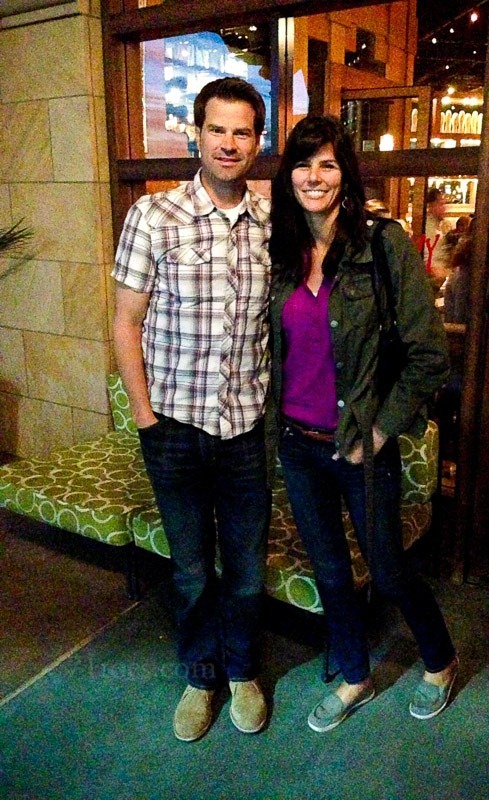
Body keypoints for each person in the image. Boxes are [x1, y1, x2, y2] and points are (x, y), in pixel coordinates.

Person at [269, 115, 458, 732]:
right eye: (303, 164)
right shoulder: (281, 251)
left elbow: (430, 355)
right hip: (298, 444)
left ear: (345, 174)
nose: (314, 176)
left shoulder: (381, 244)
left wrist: (377, 433)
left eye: (327, 164)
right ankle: (355, 676)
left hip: (360, 445)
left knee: (389, 569)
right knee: (328, 571)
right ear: (288, 176)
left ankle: (440, 660)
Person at [112, 77, 271, 742]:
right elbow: (125, 323)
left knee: (246, 569)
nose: (229, 143)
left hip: (247, 429)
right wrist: (145, 419)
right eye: (217, 129)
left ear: (257, 142)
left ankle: (243, 672)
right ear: (197, 135)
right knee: (190, 568)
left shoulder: (272, 223)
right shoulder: (154, 215)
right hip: (173, 426)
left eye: (242, 131)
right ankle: (201, 677)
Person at [421, 187, 452, 289]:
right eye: (441, 204)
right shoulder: (427, 227)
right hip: (429, 282)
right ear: (432, 205)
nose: (445, 208)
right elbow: (428, 259)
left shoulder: (439, 226)